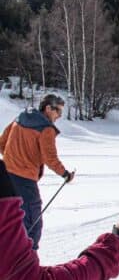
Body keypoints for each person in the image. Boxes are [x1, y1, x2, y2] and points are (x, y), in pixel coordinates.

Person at [0, 93, 75, 250]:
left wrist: (13, 159)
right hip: (25, 180)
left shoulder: (20, 117)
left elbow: (2, 143)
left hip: (6, 176)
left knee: (9, 216)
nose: (59, 116)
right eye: (58, 111)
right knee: (32, 221)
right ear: (48, 108)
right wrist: (65, 174)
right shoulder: (45, 128)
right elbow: (50, 158)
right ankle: (26, 258)